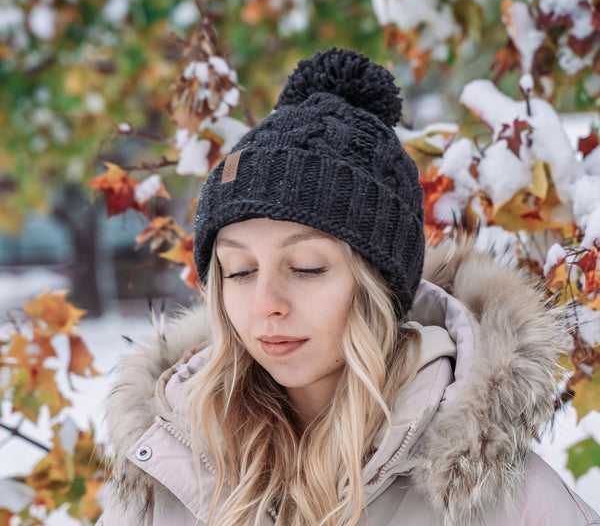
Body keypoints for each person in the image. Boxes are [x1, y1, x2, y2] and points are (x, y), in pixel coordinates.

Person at [98, 48, 600, 526]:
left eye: (308, 267)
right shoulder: (163, 462)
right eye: (239, 271)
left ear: (378, 285)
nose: (265, 304)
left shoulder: (494, 493)